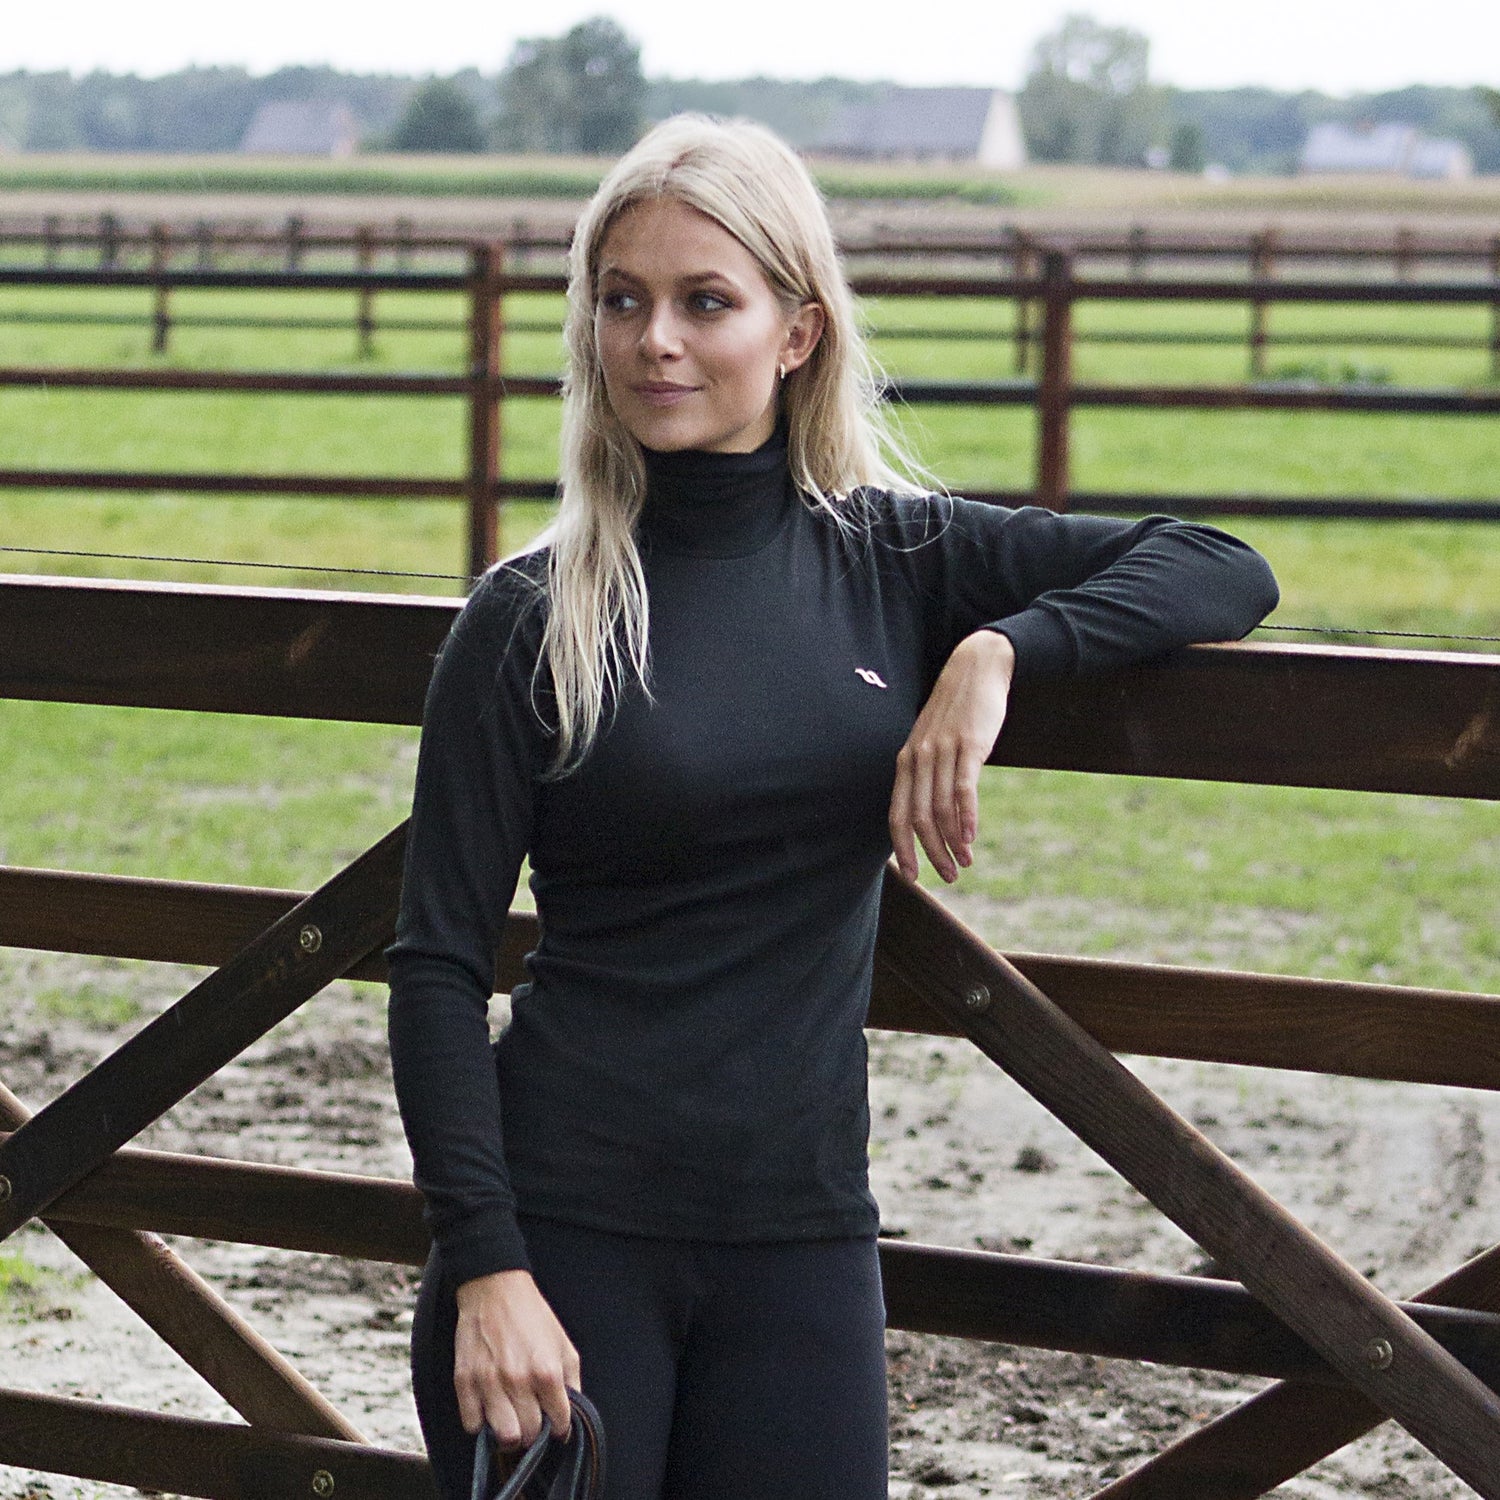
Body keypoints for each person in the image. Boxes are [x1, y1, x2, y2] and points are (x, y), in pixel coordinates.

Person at [387, 114, 1279, 1500]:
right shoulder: (530, 618)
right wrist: (488, 1267)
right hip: (563, 1236)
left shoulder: (901, 560)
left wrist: (999, 652)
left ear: (797, 333)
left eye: (705, 302)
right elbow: (438, 965)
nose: (655, 342)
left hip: (802, 1236)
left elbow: (1219, 565)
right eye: (620, 301)